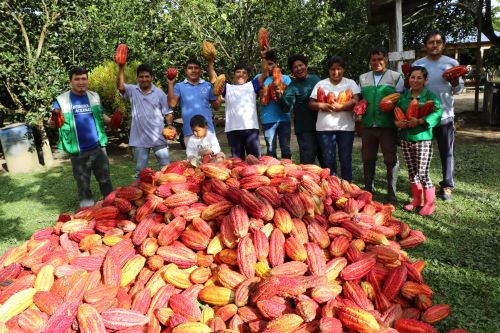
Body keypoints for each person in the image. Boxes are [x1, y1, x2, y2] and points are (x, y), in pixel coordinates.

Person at [413, 31, 464, 202]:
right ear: (425, 45)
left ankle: (447, 186)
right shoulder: (418, 64)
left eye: (438, 42)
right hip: (422, 117)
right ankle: (421, 184)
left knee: (447, 152)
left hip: (444, 116)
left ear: (443, 45)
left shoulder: (451, 63)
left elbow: (459, 90)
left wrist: (454, 80)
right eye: (431, 42)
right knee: (420, 153)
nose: (434, 45)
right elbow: (409, 86)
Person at [52, 67, 113, 207]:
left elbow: (99, 115)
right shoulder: (62, 100)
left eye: (84, 78)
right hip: (78, 151)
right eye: (77, 79)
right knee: (83, 185)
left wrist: (112, 121)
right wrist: (54, 120)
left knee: (105, 180)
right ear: (70, 81)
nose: (81, 82)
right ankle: (87, 213)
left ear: (87, 80)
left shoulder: (94, 96)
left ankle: (112, 207)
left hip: (98, 148)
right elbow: (55, 121)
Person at [358, 48, 405, 203]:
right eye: (373, 60)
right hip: (368, 125)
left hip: (387, 125)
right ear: (370, 61)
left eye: (380, 59)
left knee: (390, 158)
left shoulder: (396, 77)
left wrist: (393, 106)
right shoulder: (363, 78)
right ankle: (368, 188)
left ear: (386, 60)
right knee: (367, 157)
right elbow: (360, 99)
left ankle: (391, 192)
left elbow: (402, 100)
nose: (377, 62)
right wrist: (360, 106)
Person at [395, 66, 442, 216]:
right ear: (408, 79)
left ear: (425, 80)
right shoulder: (404, 96)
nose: (415, 80)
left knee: (423, 173)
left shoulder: (430, 96)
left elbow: (438, 112)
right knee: (411, 172)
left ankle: (430, 203)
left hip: (422, 139)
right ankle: (417, 199)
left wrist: (420, 120)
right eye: (412, 77)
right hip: (406, 139)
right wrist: (398, 123)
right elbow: (396, 113)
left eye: (419, 78)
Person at [207, 51, 268, 159]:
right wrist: (210, 62)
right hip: (232, 129)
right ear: (234, 74)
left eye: (244, 73)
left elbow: (265, 73)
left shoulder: (252, 85)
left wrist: (263, 56)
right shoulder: (227, 87)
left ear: (248, 76)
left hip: (251, 129)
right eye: (238, 72)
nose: (241, 74)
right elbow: (213, 80)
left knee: (254, 161)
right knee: (237, 163)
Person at [117, 62, 174, 176]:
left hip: (158, 137)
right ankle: (141, 193)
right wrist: (121, 67)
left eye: (147, 76)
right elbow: (120, 86)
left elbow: (168, 113)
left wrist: (169, 125)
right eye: (141, 77)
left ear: (152, 77)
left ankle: (165, 192)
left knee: (165, 169)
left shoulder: (159, 93)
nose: (144, 79)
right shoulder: (133, 90)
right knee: (140, 171)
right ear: (137, 78)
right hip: (139, 139)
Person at [309, 56, 360, 180]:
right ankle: (332, 186)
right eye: (333, 69)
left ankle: (347, 186)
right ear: (328, 70)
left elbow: (356, 100)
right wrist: (322, 105)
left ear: (344, 69)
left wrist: (341, 107)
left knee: (345, 158)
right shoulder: (321, 84)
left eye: (339, 69)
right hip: (325, 128)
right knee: (328, 159)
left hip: (346, 128)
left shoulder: (350, 83)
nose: (336, 72)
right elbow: (311, 104)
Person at [278, 54, 322, 165]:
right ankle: (307, 182)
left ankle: (329, 181)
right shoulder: (292, 86)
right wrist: (280, 96)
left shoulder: (316, 79)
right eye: (295, 67)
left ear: (306, 66)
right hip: (305, 129)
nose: (299, 68)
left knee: (326, 159)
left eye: (301, 65)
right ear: (292, 71)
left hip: (322, 126)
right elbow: (285, 107)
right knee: (308, 163)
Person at [167, 58, 219, 147]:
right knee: (194, 160)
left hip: (208, 130)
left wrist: (218, 91)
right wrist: (171, 84)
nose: (193, 70)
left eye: (196, 68)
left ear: (200, 71)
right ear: (186, 71)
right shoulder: (179, 86)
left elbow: (216, 106)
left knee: (212, 159)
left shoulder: (208, 86)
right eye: (190, 68)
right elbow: (172, 104)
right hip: (189, 132)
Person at [256, 49, 292, 159]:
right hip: (268, 120)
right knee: (271, 150)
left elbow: (289, 98)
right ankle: (273, 173)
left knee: (286, 148)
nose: (268, 67)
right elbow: (255, 95)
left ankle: (287, 173)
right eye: (266, 64)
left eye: (271, 64)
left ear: (276, 64)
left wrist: (280, 91)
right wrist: (262, 92)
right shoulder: (259, 78)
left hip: (284, 119)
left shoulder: (286, 78)